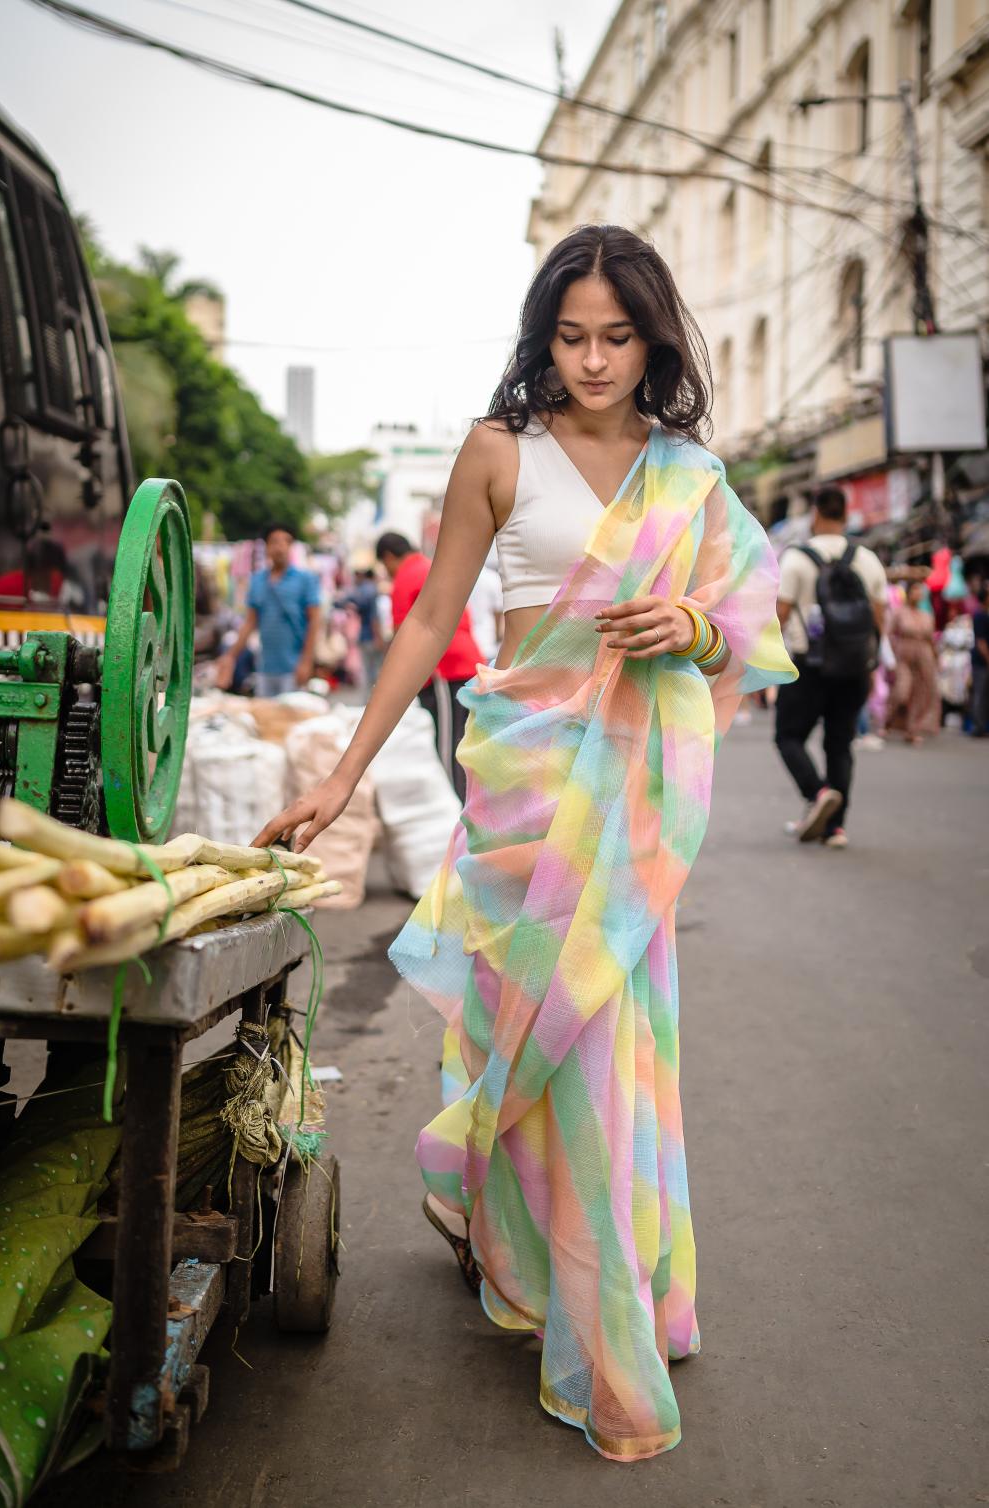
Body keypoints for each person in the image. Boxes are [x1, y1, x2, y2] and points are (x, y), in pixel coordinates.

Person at [254, 224, 794, 1463]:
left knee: (604, 1045)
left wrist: (694, 630)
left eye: (617, 336)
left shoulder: (687, 470)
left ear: (653, 337)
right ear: (539, 333)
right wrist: (344, 771)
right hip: (520, 779)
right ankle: (503, 1233)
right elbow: (436, 612)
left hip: (629, 801)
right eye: (571, 335)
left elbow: (749, 618)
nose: (594, 360)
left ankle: (608, 1319)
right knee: (513, 1032)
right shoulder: (498, 452)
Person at [774, 486, 887, 848]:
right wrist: (870, 659)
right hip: (853, 667)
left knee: (788, 736)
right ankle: (835, 827)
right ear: (846, 514)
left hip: (809, 664)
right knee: (839, 744)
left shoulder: (796, 559)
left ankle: (817, 792)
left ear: (816, 514)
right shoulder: (867, 558)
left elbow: (780, 614)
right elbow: (880, 615)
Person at [375, 531, 483, 798]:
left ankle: (459, 811)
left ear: (388, 557)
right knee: (465, 742)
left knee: (449, 748)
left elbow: (403, 635)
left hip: (443, 671)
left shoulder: (406, 577)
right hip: (463, 662)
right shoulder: (429, 567)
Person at [215, 523, 320, 697]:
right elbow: (249, 623)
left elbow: (314, 621)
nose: (279, 547)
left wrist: (307, 662)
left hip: (293, 667)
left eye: (285, 541)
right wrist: (230, 656)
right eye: (274, 542)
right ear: (266, 547)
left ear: (291, 547)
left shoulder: (305, 580)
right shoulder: (257, 581)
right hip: (265, 667)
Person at [884, 579, 941, 743]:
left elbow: (931, 640)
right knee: (902, 691)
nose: (918, 594)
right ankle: (889, 720)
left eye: (920, 591)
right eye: (915, 590)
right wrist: (891, 656)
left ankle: (912, 729)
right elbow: (888, 634)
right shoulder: (899, 612)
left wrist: (936, 658)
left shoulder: (927, 615)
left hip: (924, 656)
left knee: (920, 692)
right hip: (904, 656)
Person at [971, 581, 989, 736]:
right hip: (981, 662)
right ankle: (978, 726)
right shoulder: (980, 615)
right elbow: (981, 642)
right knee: (980, 693)